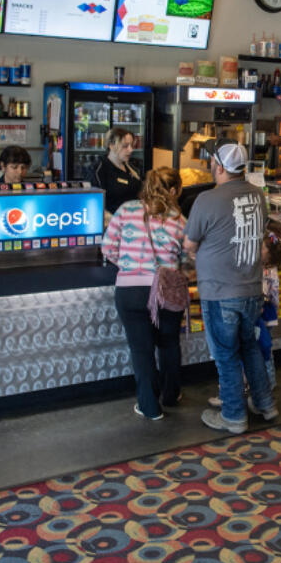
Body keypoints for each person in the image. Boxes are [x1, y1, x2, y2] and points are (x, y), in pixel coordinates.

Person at [184, 140, 275, 434]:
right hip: (250, 288)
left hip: (220, 291)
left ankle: (234, 416)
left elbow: (189, 243)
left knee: (226, 354)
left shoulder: (207, 200)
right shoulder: (258, 196)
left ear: (219, 167)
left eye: (212, 161)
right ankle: (265, 404)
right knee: (249, 347)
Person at [101, 167, 188, 420]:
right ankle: (171, 395)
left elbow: (108, 248)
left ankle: (150, 407)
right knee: (169, 343)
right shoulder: (179, 219)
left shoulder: (127, 210)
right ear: (174, 190)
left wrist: (130, 266)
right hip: (166, 290)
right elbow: (185, 259)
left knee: (142, 349)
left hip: (130, 290)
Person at [207, 226, 281, 409]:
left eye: (261, 247)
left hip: (259, 314)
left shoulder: (263, 271)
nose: (257, 249)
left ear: (269, 254)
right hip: (265, 314)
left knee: (252, 351)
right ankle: (263, 389)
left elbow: (263, 294)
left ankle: (245, 391)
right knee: (262, 350)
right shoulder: (269, 269)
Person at [92, 128, 143, 217]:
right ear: (111, 146)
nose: (130, 150)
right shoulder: (99, 170)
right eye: (125, 146)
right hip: (113, 224)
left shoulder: (132, 168)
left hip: (134, 220)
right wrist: (115, 222)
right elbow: (96, 205)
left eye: (132, 145)